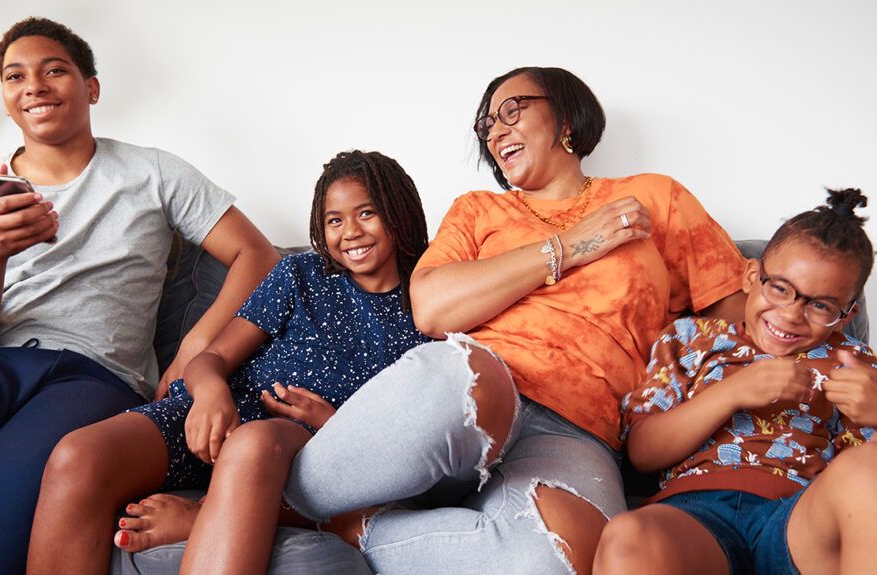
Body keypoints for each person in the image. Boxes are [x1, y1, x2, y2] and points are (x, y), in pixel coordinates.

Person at [261, 66, 748, 575]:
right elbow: (430, 307)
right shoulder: (477, 210)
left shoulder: (654, 197)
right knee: (456, 377)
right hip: (476, 399)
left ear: (565, 117)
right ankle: (274, 496)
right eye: (486, 124)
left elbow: (735, 323)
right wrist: (570, 247)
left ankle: (347, 524)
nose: (494, 131)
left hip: (578, 429)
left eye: (511, 110)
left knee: (558, 559)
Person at [0, 17, 279, 575]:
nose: (35, 85)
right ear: (6, 100)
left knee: (14, 488)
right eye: (15, 76)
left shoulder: (154, 172)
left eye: (55, 70)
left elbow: (258, 255)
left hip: (95, 375)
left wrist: (195, 349)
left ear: (90, 86)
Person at [26, 150, 431, 574]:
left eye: (366, 213)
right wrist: (211, 393)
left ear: (398, 212)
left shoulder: (426, 309)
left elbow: (410, 443)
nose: (350, 232)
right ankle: (206, 506)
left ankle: (202, 516)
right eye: (334, 220)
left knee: (254, 445)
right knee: (79, 456)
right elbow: (213, 357)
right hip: (216, 419)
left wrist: (335, 426)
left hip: (298, 446)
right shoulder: (301, 274)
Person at [594, 189, 877, 575]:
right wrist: (734, 391)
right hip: (695, 517)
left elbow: (865, 493)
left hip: (799, 520)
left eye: (820, 305)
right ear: (751, 276)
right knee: (628, 535)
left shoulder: (852, 361)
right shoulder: (690, 339)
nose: (791, 314)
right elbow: (643, 452)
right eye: (780, 288)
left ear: (846, 316)